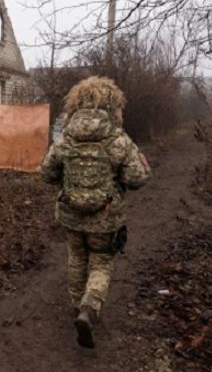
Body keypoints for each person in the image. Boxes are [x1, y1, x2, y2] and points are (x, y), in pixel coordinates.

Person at [40, 76, 150, 349]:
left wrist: (68, 180)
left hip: (70, 215)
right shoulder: (118, 139)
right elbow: (137, 178)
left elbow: (46, 173)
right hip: (106, 218)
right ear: (113, 105)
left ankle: (77, 305)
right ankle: (89, 308)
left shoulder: (66, 137)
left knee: (76, 257)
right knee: (101, 261)